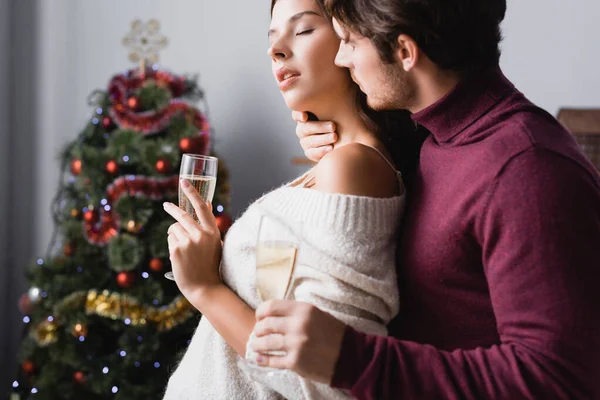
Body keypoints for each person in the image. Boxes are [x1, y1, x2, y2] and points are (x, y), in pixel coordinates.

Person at [247, 0, 600, 399]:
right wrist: (327, 131)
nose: (342, 59)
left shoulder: (528, 168)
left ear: (404, 51)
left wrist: (352, 359)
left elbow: (559, 380)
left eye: (349, 42)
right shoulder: (439, 137)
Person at [161, 0, 418, 399]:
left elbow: (322, 379)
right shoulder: (337, 164)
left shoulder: (352, 168)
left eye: (302, 30)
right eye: (272, 35)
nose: (276, 49)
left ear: (352, 39)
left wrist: (204, 289)